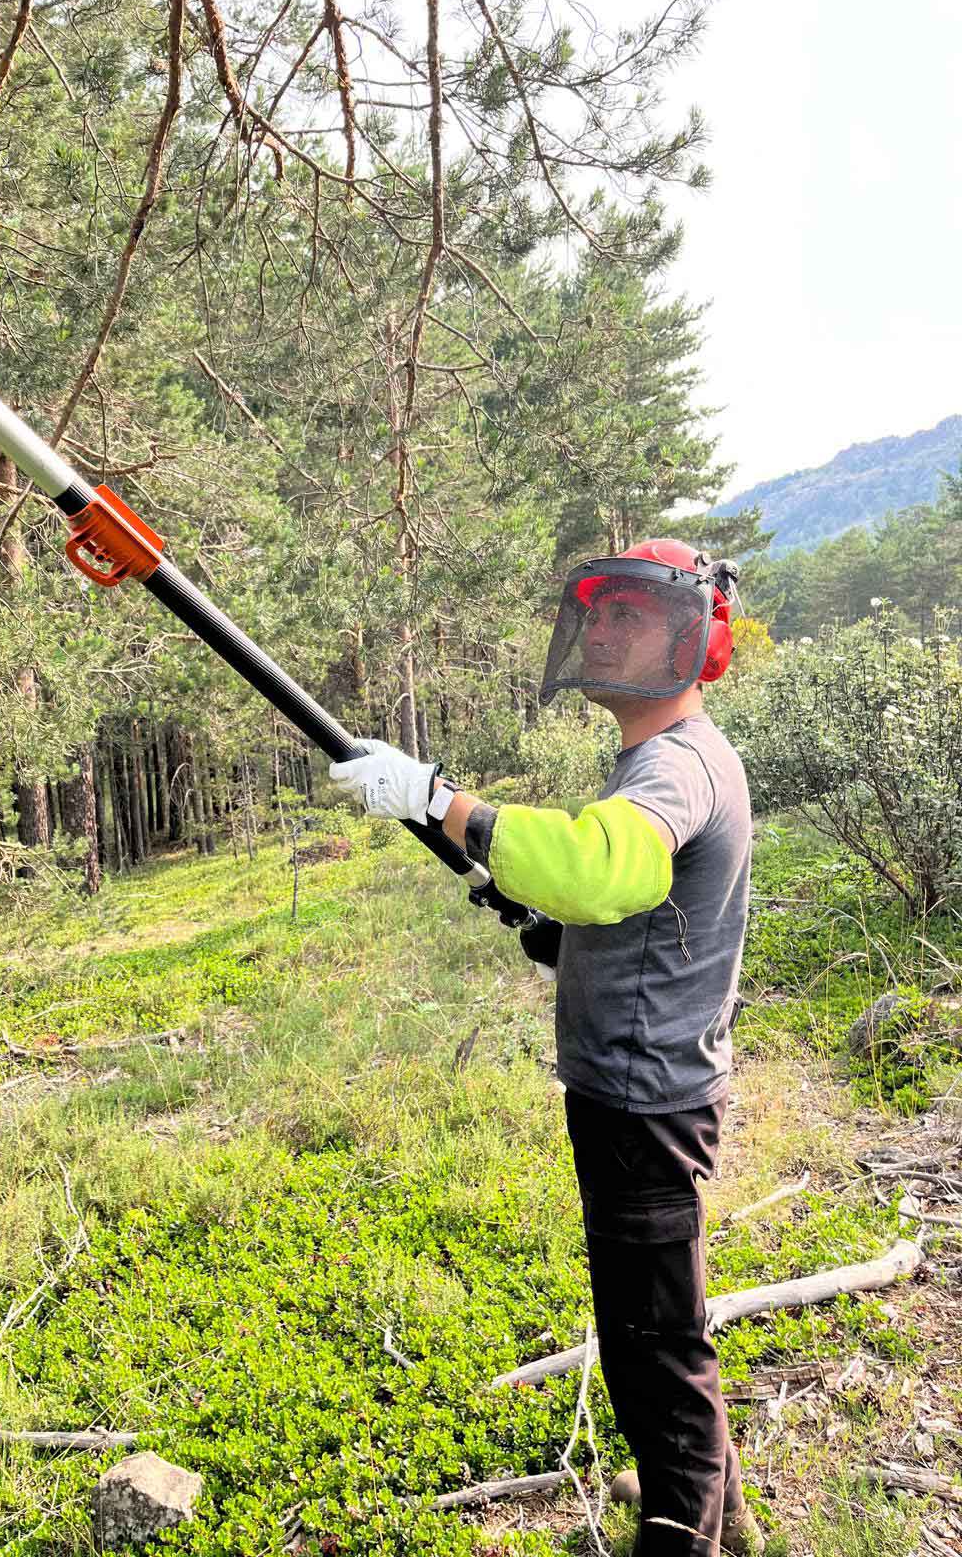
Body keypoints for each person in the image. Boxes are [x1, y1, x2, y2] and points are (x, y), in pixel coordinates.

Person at [330, 540, 764, 1557]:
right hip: (637, 1089)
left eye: (630, 613)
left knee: (652, 1343)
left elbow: (601, 868)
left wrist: (442, 802)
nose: (606, 628)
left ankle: (681, 1524)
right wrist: (549, 929)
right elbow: (626, 912)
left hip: (644, 1102)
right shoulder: (666, 761)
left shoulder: (678, 762)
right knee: (665, 1320)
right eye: (598, 613)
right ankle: (718, 1505)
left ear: (690, 636)